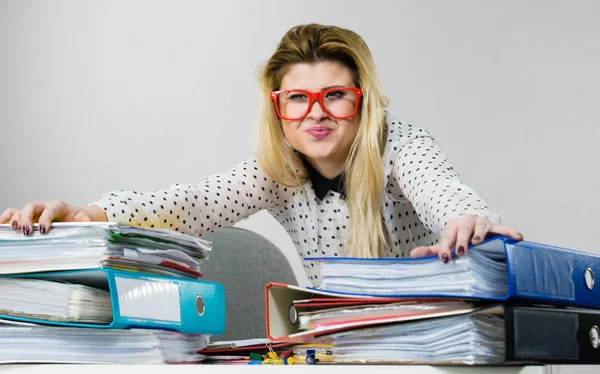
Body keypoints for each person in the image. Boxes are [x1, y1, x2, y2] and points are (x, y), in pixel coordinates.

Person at [0, 23, 522, 286]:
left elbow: (444, 192)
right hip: (333, 351)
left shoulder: (400, 146)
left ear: (363, 101)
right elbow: (188, 204)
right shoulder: (278, 171)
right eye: (298, 98)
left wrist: (467, 220)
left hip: (416, 351)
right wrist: (87, 213)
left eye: (335, 95)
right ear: (277, 108)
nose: (316, 114)